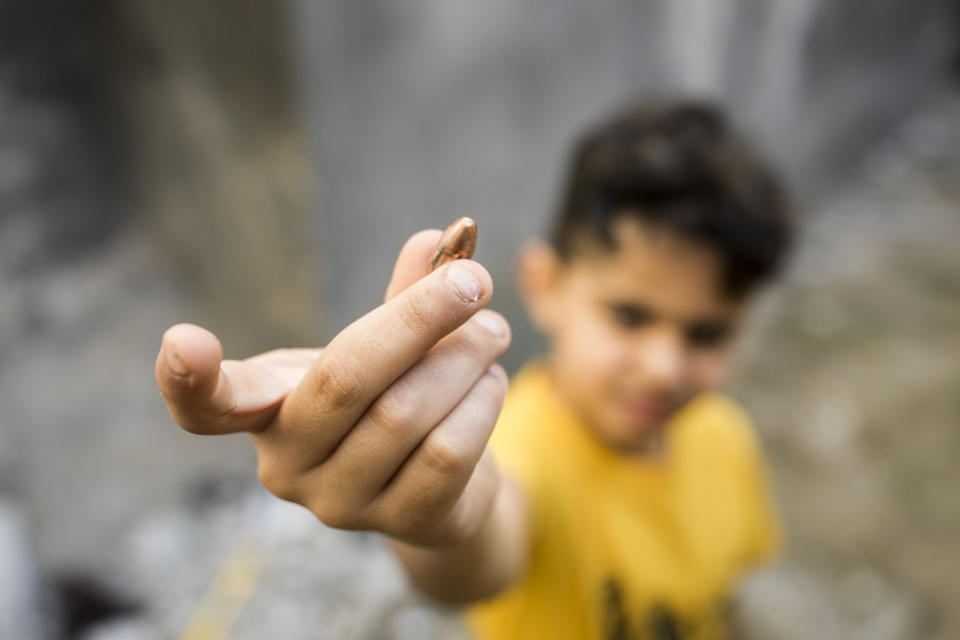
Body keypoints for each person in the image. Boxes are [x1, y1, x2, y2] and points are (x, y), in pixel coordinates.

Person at [155, 100, 792, 639]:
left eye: (706, 333)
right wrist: (434, 511)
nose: (662, 368)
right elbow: (476, 539)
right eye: (629, 316)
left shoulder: (725, 436)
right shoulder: (518, 451)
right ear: (544, 285)